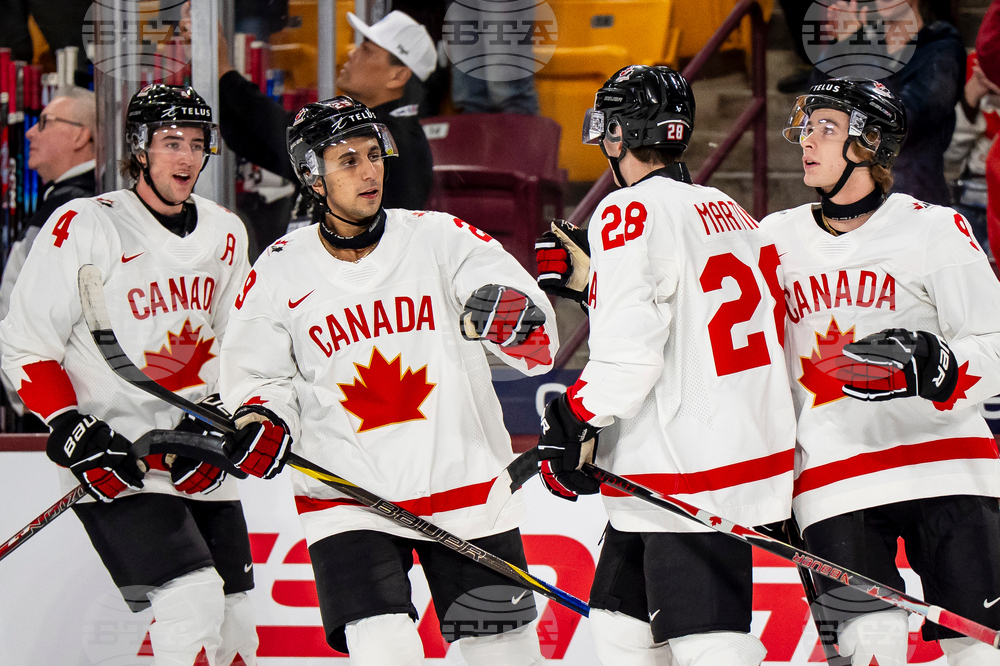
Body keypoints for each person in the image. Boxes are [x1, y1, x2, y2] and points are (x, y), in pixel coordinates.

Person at [219, 96, 557, 665]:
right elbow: (257, 374)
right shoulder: (278, 268)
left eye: (374, 155)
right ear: (313, 177)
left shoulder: (441, 238)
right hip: (349, 499)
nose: (369, 171)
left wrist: (509, 315)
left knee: (504, 655)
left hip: (465, 490)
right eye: (348, 160)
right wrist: (262, 416)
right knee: (383, 651)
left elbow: (536, 339)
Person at [533, 65, 796, 666]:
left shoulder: (626, 210)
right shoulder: (727, 208)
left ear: (620, 134)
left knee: (709, 642)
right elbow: (692, 316)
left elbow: (631, 354)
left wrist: (574, 414)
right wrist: (594, 285)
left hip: (683, 463)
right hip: (731, 450)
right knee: (619, 627)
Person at [0, 84, 258, 666]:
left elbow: (242, 344)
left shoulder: (226, 232)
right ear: (139, 148)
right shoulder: (84, 224)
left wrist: (221, 414)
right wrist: (70, 425)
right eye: (171, 142)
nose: (187, 157)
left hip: (196, 452)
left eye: (197, 144)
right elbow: (26, 342)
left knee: (237, 625)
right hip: (117, 457)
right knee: (190, 605)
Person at [765, 78, 1000, 666]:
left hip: (950, 468)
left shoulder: (934, 229)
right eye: (807, 126)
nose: (807, 141)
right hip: (833, 478)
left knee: (978, 653)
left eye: (827, 128)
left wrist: (943, 365)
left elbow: (995, 343)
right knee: (869, 650)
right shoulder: (772, 238)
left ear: (870, 143)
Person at [218, 9, 436, 212]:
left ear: (398, 76)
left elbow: (291, 135)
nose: (352, 54)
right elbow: (254, 141)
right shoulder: (392, 131)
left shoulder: (390, 140)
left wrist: (225, 73)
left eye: (367, 51)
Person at [0, 86, 97, 425]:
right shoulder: (67, 202)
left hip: (58, 408)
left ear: (81, 135)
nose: (29, 132)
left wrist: (35, 400)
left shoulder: (76, 208)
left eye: (44, 122)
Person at [808, 0, 966, 206]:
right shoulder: (865, 39)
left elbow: (900, 124)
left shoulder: (943, 50)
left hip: (912, 201)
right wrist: (840, 46)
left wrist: (857, 45)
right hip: (845, 196)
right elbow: (816, 104)